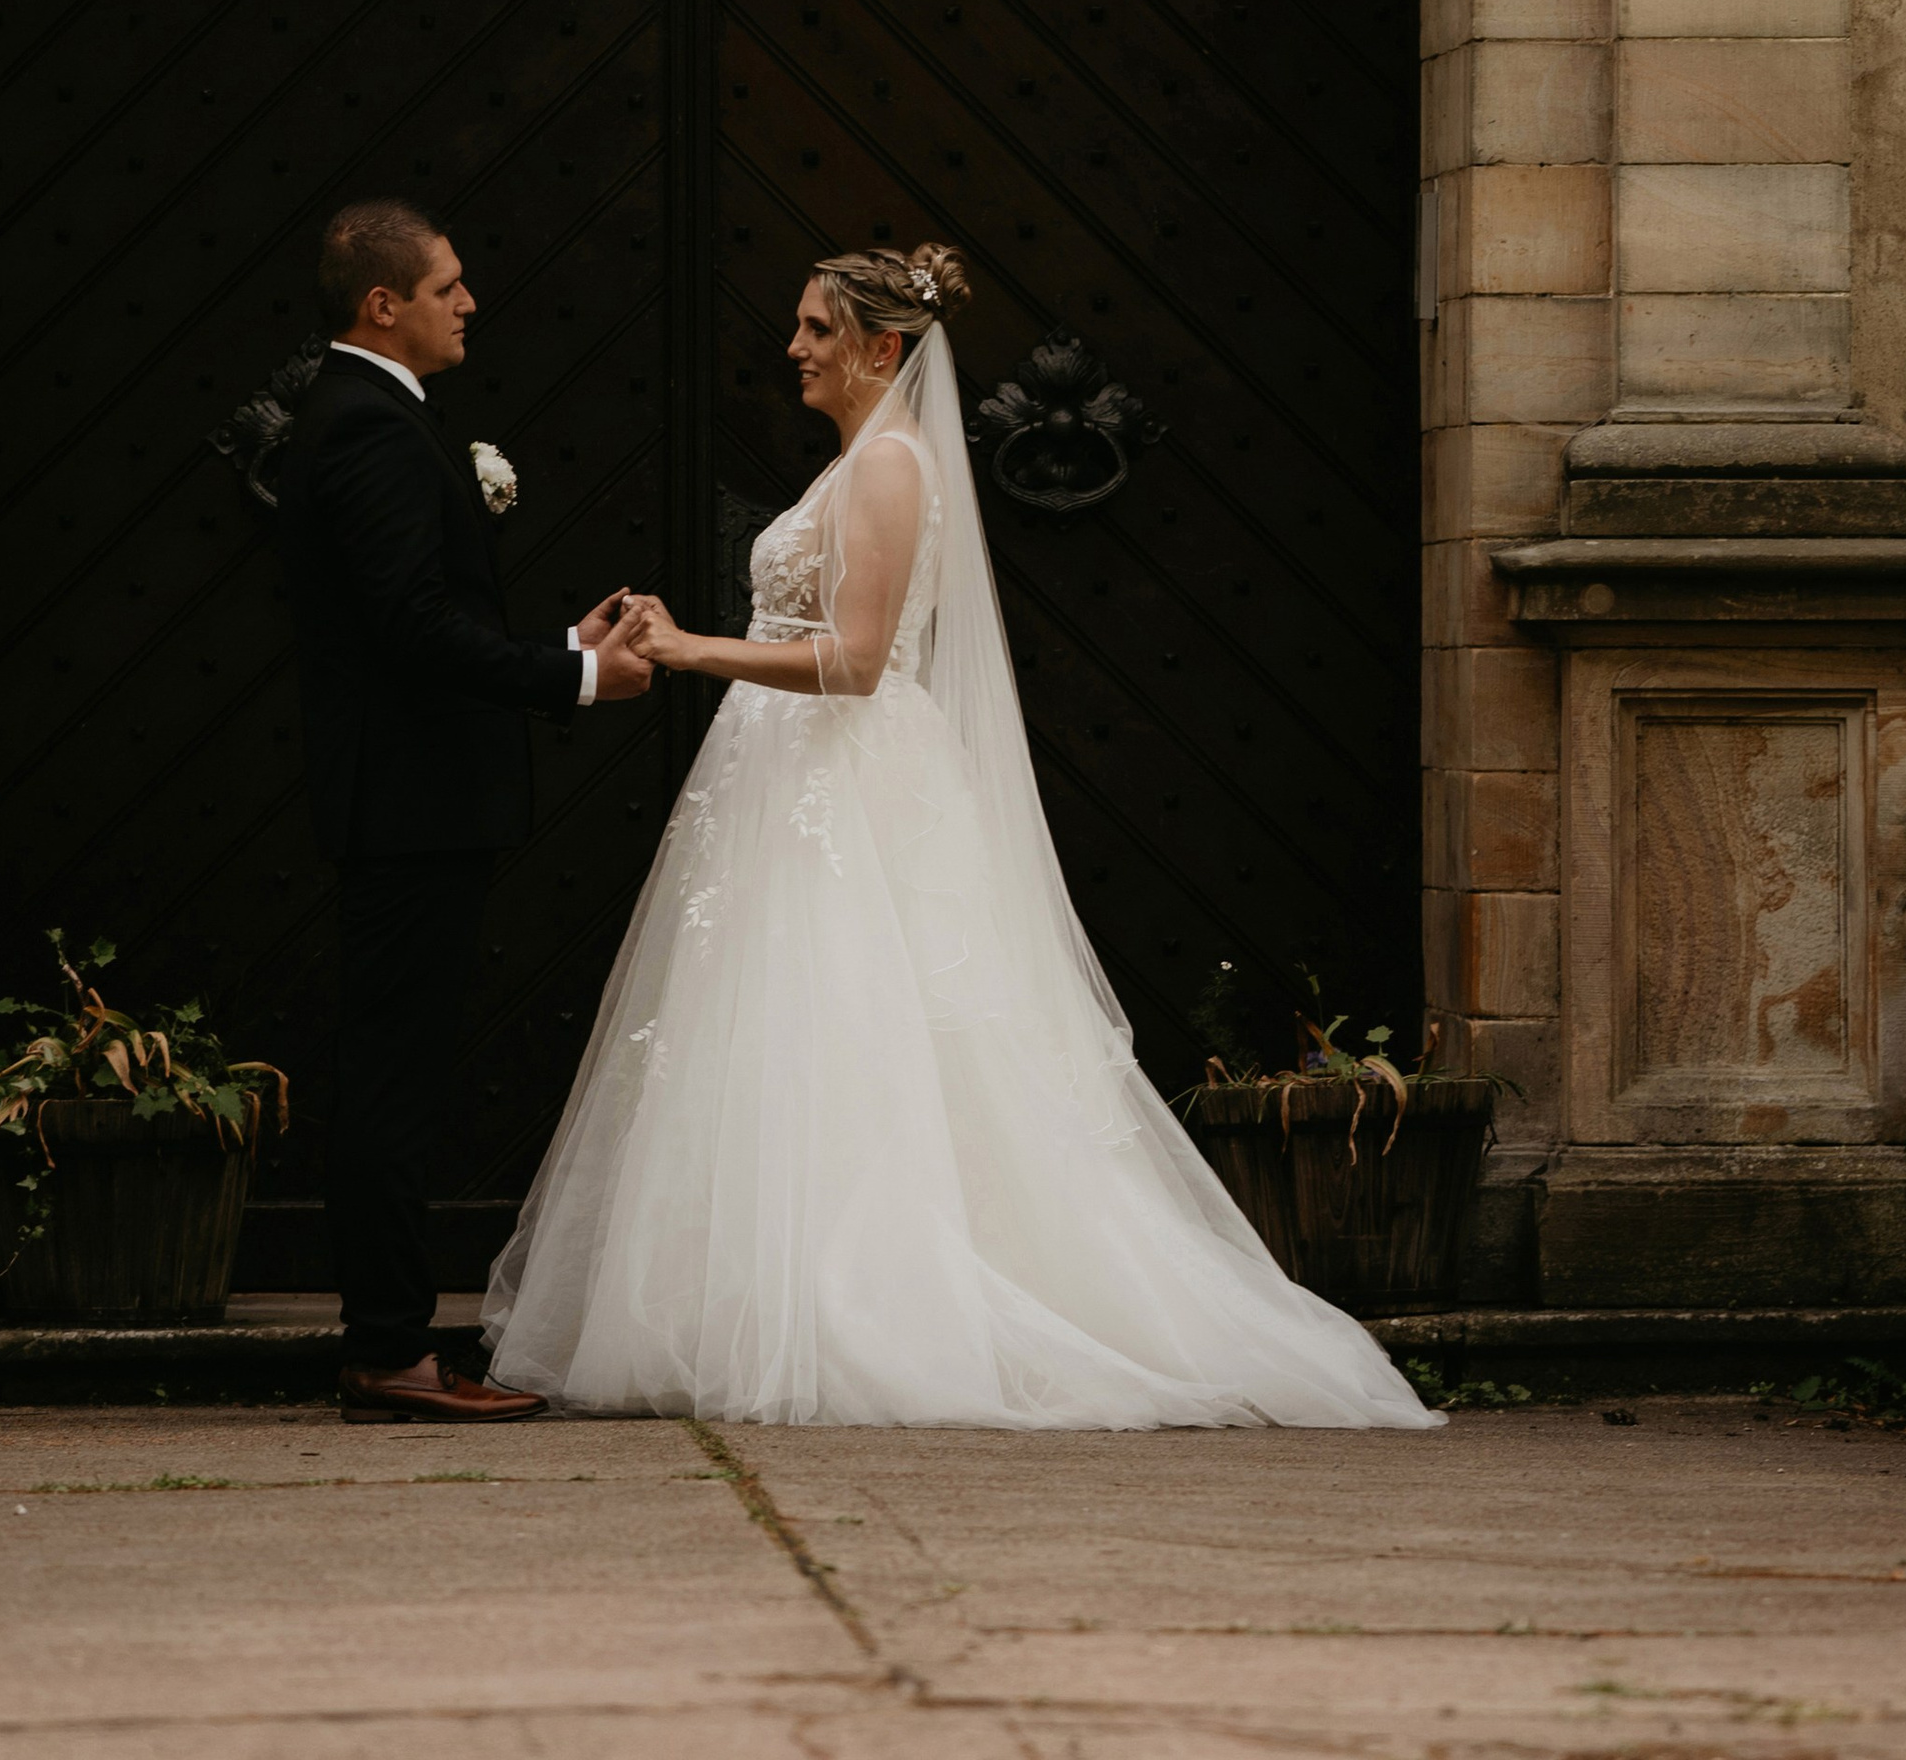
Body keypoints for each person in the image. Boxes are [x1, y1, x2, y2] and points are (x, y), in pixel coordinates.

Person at [483, 240, 1441, 1431]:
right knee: (787, 1037)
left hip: (843, 780)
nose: (793, 347)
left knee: (864, 1030)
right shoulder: (853, 469)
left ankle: (865, 1309)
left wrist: (687, 651)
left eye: (816, 329)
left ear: (882, 348)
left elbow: (857, 659)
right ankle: (758, 1298)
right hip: (788, 782)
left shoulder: (886, 467)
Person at [273, 199, 655, 1426]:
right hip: (410, 808)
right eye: (448, 287)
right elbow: (410, 632)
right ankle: (387, 1351)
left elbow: (419, 623)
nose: (470, 303)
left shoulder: (374, 416)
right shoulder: (370, 427)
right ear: (382, 304)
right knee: (391, 1078)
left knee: (403, 1067)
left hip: (415, 800)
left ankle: (392, 1343)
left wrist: (554, 642)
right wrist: (581, 678)